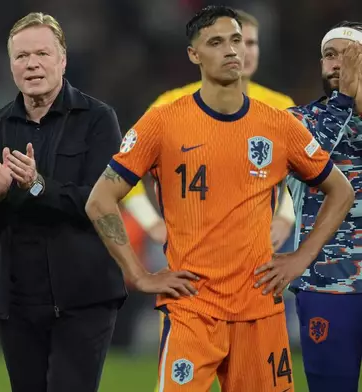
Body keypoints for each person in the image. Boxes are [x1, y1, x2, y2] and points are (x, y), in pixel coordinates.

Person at [86, 6, 355, 391]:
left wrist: (301, 258)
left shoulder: (279, 124)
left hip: (260, 310)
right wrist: (138, 274)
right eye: (216, 42)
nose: (232, 51)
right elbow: (100, 201)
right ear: (194, 54)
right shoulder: (163, 122)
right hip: (192, 309)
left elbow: (340, 191)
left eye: (237, 41)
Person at [0, 12, 126, 392]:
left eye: (43, 54)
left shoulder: (98, 120)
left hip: (83, 298)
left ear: (63, 60)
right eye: (21, 56)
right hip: (17, 302)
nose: (32, 64)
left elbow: (101, 202)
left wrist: (37, 185)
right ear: (11, 66)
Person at [123, 9, 296, 250]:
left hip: (258, 246)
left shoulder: (281, 106)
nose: (238, 51)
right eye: (222, 42)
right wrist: (152, 224)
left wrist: (286, 217)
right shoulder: (170, 105)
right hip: (191, 247)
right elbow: (123, 169)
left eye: (249, 42)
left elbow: (305, 174)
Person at [287, 22, 362, 392]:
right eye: (330, 56)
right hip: (328, 283)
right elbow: (307, 161)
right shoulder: (296, 120)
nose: (338, 64)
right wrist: (345, 101)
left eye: (350, 57)